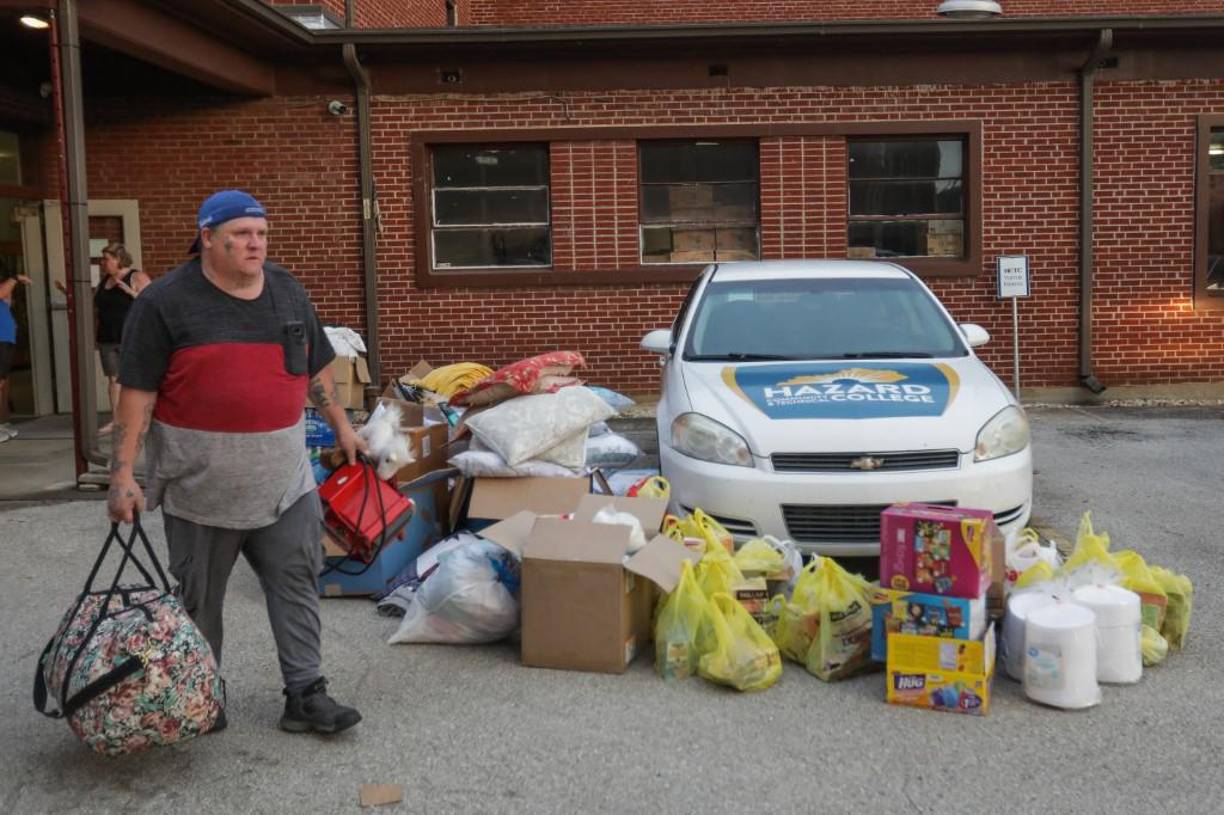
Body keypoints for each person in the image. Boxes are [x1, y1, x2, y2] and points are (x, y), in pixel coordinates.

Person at [107, 190, 366, 735]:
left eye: (262, 234)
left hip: (284, 485)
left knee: (296, 585)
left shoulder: (287, 291)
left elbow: (314, 370)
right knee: (201, 600)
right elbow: (137, 394)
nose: (256, 244)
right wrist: (123, 474)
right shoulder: (165, 303)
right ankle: (200, 695)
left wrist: (344, 428)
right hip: (200, 492)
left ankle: (305, 694)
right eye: (242, 234)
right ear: (207, 237)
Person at [55, 242, 150, 434]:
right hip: (107, 337)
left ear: (118, 259)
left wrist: (131, 292)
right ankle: (117, 420)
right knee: (114, 380)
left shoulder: (136, 276)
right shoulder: (105, 281)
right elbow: (91, 301)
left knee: (135, 379)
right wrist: (67, 293)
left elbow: (152, 301)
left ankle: (141, 419)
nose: (102, 263)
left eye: (106, 259)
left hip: (131, 337)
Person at [0, 271, 33, 442]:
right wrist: (15, 278)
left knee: (3, 382)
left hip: (5, 338)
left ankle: (1, 422)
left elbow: (6, 300)